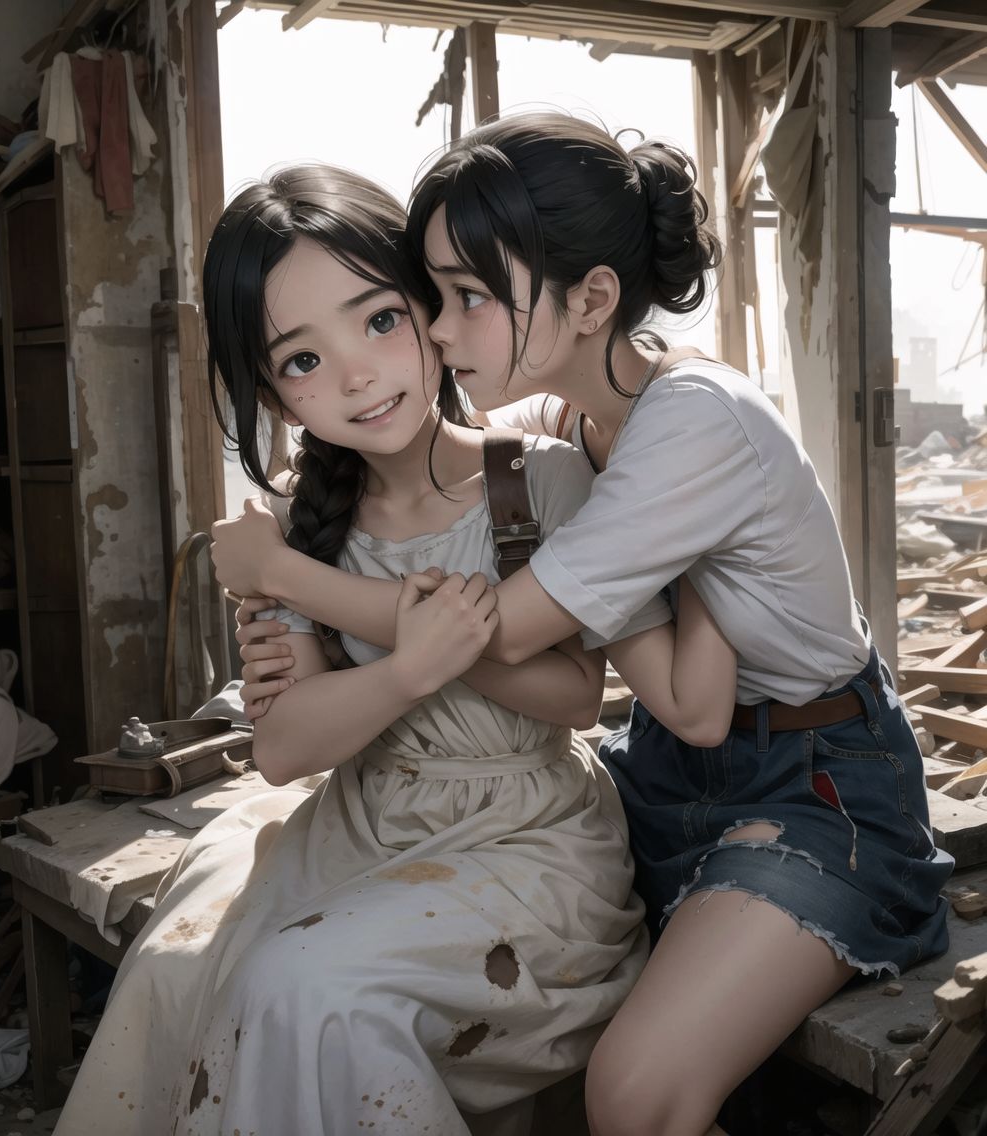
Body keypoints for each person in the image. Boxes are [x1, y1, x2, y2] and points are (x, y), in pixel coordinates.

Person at [214, 114, 953, 1136]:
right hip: (667, 758)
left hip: (816, 777)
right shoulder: (572, 421)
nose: (434, 330)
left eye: (464, 299)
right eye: (428, 297)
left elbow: (509, 631)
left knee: (631, 1091)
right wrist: (293, 586)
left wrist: (280, 573)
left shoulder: (689, 420)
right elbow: (670, 695)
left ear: (591, 297)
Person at [54, 163, 736, 1136]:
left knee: (302, 984)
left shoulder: (519, 482)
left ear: (429, 307)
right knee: (175, 975)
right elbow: (286, 748)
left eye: (376, 320)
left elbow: (574, 692)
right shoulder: (294, 523)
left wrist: (394, 637)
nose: (357, 373)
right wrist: (400, 652)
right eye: (301, 360)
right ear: (275, 395)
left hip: (522, 833)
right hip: (363, 821)